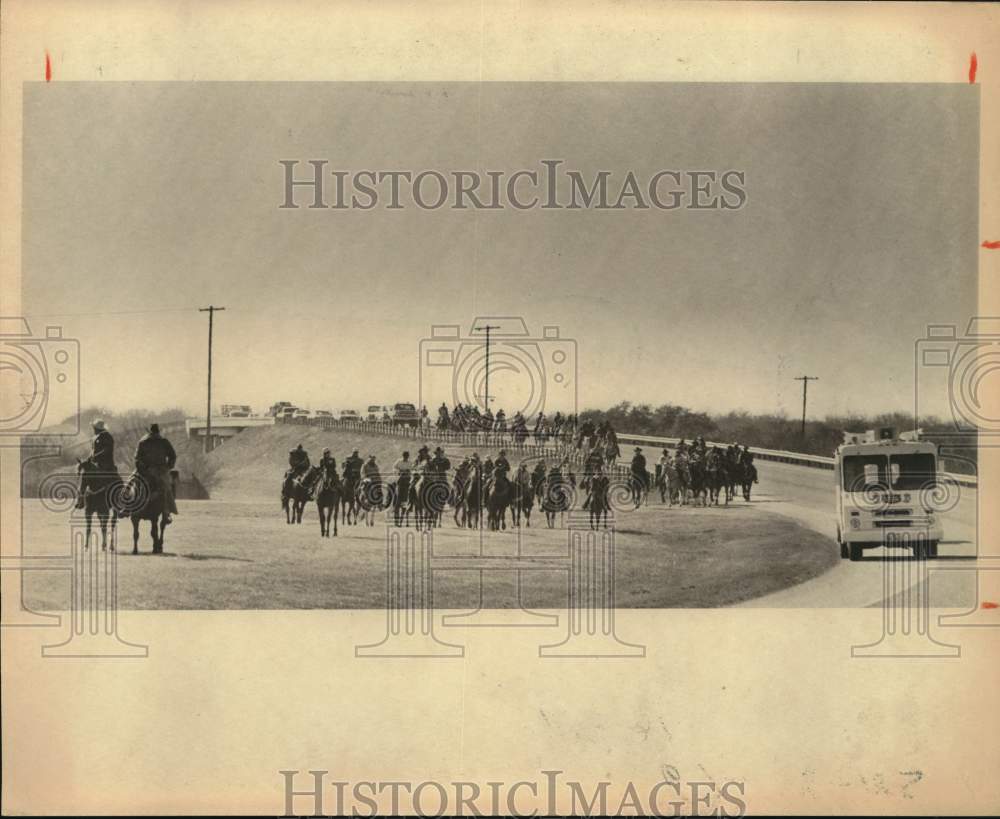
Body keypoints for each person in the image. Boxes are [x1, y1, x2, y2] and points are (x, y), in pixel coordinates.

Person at [134, 423, 178, 523]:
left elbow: (136, 458)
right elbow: (173, 456)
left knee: (132, 482)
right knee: (167, 488)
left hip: (147, 470)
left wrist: (141, 469)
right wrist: (168, 467)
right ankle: (166, 512)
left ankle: (128, 507)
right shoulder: (164, 441)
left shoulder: (143, 442)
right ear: (158, 431)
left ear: (150, 432)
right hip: (161, 471)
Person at [76, 418, 117, 508]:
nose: (93, 429)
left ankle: (118, 501)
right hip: (95, 463)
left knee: (115, 481)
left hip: (106, 464)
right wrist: (88, 459)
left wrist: (96, 456)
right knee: (84, 474)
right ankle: (81, 499)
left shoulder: (108, 437)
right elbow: (92, 451)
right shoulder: (95, 438)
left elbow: (107, 450)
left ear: (98, 429)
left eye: (94, 428)